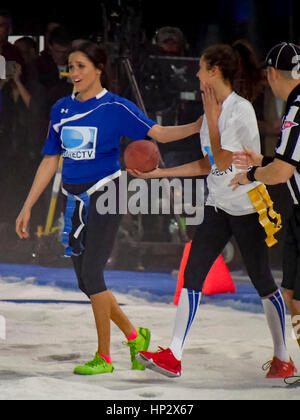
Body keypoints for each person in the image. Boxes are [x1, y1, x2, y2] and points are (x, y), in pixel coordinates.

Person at [15, 40, 202, 375]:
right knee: (87, 284)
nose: (73, 72)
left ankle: (104, 357)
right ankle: (135, 336)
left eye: (81, 66)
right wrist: (27, 205)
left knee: (92, 274)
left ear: (99, 69)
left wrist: (198, 126)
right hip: (72, 201)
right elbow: (49, 160)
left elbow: (157, 132)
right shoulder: (61, 109)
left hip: (107, 195)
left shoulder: (116, 108)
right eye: (70, 66)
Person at [128, 41, 297, 379]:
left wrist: (215, 120)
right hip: (218, 205)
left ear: (215, 71)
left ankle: (283, 357)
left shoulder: (239, 109)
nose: (196, 73)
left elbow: (224, 159)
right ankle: (173, 354)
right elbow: (208, 164)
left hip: (248, 208)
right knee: (192, 274)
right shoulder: (212, 111)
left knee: (263, 281)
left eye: (201, 67)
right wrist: (159, 173)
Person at [229, 42, 300, 354]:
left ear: (272, 74)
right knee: (291, 295)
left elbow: (283, 172)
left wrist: (251, 175)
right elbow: (290, 162)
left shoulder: (297, 109)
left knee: (295, 297)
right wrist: (262, 160)